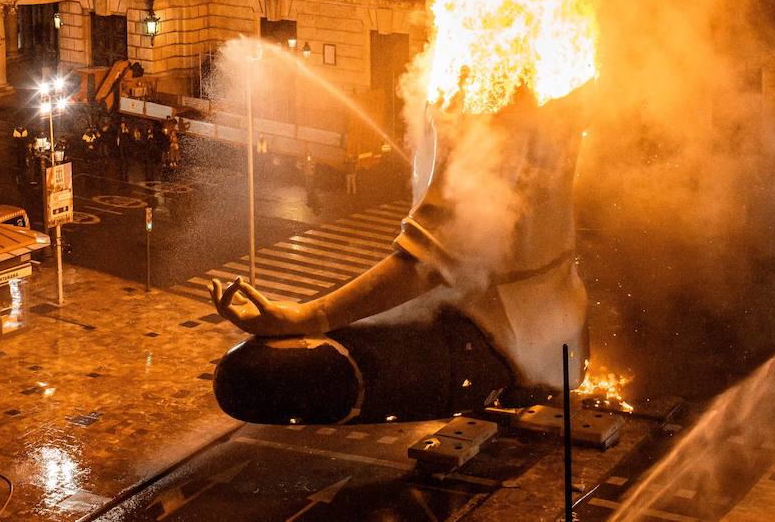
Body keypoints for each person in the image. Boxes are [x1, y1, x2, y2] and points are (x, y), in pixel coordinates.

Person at [211, 84, 590, 426]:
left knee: (251, 375)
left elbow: (425, 264)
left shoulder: (486, 112)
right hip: (561, 324)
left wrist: (312, 314)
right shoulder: (555, 98)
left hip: (502, 340)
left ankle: (513, 383)